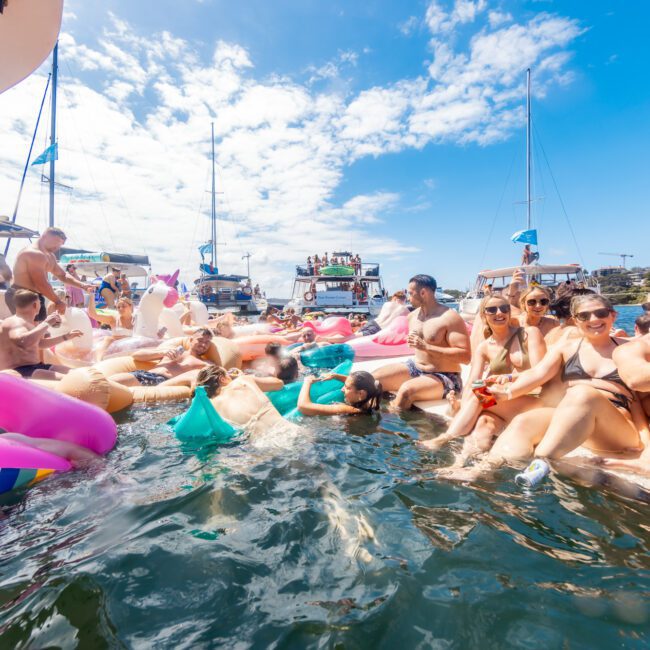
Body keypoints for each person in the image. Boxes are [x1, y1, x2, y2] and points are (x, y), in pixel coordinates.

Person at [485, 295, 648, 463]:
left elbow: (638, 392)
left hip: (616, 427)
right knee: (523, 422)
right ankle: (485, 471)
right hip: (572, 415)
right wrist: (508, 393)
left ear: (613, 315)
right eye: (584, 316)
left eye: (600, 313)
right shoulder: (566, 349)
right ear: (576, 321)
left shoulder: (631, 348)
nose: (593, 319)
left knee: (583, 394)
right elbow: (538, 373)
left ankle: (542, 460)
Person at [419, 294, 546, 455]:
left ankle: (444, 438)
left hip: (531, 399)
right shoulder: (484, 347)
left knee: (479, 394)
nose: (499, 313)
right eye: (492, 310)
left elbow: (540, 373)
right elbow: (473, 380)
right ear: (483, 315)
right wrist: (462, 405)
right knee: (483, 424)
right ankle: (462, 466)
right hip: (502, 404)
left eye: (504, 308)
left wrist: (508, 378)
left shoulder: (529, 334)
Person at [373, 274, 471, 410]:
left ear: (423, 293)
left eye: (411, 293)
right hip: (416, 367)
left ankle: (387, 425)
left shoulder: (450, 317)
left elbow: (465, 357)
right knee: (373, 379)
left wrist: (426, 347)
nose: (408, 297)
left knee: (406, 392)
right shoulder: (412, 316)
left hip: (446, 376)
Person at [5, 227, 93, 320]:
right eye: (56, 243)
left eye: (60, 245)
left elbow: (62, 275)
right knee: (29, 329)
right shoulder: (34, 253)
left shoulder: (50, 256)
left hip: (35, 296)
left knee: (40, 330)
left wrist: (83, 285)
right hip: (21, 295)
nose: (57, 248)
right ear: (45, 236)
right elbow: (40, 283)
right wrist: (58, 301)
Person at [0, 289, 82, 378]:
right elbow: (23, 341)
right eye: (40, 303)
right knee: (72, 379)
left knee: (77, 373)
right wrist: (46, 323)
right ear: (35, 305)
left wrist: (66, 337)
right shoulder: (15, 322)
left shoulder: (23, 322)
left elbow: (39, 344)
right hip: (21, 371)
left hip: (35, 366)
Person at [195, 366, 287, 437]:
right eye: (228, 374)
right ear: (222, 379)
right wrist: (242, 376)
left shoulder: (211, 406)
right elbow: (279, 383)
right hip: (285, 429)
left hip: (260, 445)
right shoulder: (243, 380)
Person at [110, 329, 215, 387]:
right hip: (145, 374)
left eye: (207, 342)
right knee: (110, 381)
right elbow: (136, 355)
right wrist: (162, 353)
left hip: (162, 382)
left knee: (112, 383)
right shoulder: (173, 350)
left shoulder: (205, 363)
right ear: (191, 340)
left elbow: (215, 373)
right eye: (200, 340)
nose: (203, 344)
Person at [297, 370, 383, 416]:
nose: (342, 389)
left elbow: (303, 406)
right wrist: (335, 376)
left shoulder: (348, 410)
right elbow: (356, 383)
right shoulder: (372, 397)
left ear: (361, 394)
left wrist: (307, 382)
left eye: (346, 387)